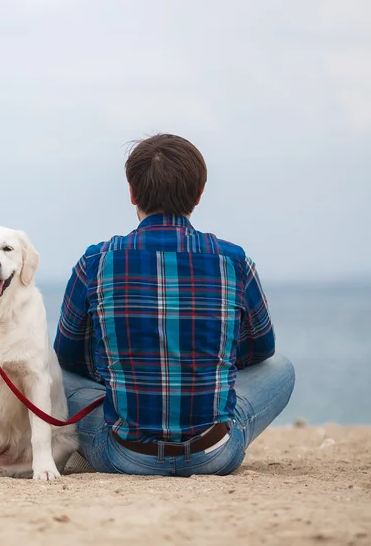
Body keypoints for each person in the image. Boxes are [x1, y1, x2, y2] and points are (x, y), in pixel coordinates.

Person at [53, 134, 295, 476]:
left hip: (125, 454)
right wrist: (210, 366)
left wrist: (115, 372)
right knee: (281, 368)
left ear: (132, 193)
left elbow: (68, 355)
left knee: (52, 371)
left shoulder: (96, 261)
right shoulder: (234, 260)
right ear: (198, 195)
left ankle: (88, 449)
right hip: (214, 454)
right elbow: (261, 349)